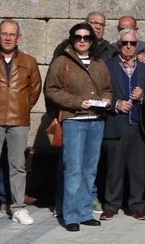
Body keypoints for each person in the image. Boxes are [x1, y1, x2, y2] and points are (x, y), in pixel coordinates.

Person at [46, 22, 112, 232]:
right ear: (71, 39)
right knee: (73, 170)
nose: (82, 41)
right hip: (74, 121)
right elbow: (52, 90)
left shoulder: (99, 62)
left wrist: (107, 100)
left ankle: (85, 212)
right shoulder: (62, 61)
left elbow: (108, 88)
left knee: (89, 170)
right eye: (78, 37)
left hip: (96, 121)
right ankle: (71, 215)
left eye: (86, 37)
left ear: (92, 40)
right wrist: (77, 102)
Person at [0, 19, 41, 228]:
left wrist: (20, 107)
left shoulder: (29, 61)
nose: (8, 38)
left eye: (12, 34)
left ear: (19, 37)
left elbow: (35, 89)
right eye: (4, 34)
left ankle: (18, 207)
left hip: (18, 120)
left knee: (18, 167)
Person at [102, 28, 145, 221]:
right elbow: (100, 92)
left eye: (132, 43)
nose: (128, 46)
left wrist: (143, 96)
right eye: (124, 43)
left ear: (137, 45)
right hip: (116, 123)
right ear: (119, 45)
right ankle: (112, 205)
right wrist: (115, 104)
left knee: (138, 169)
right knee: (114, 168)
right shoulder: (107, 66)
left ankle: (137, 205)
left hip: (140, 125)